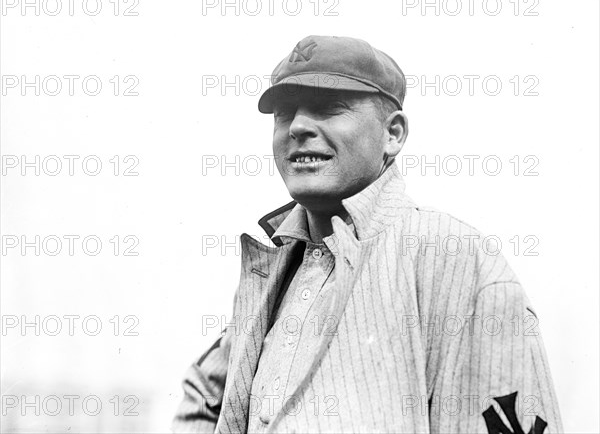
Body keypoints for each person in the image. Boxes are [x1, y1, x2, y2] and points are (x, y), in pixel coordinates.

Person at [172, 35, 562, 434]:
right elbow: (203, 397)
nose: (299, 127)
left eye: (327, 108)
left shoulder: (452, 257)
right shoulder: (273, 269)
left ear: (392, 134)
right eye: (284, 114)